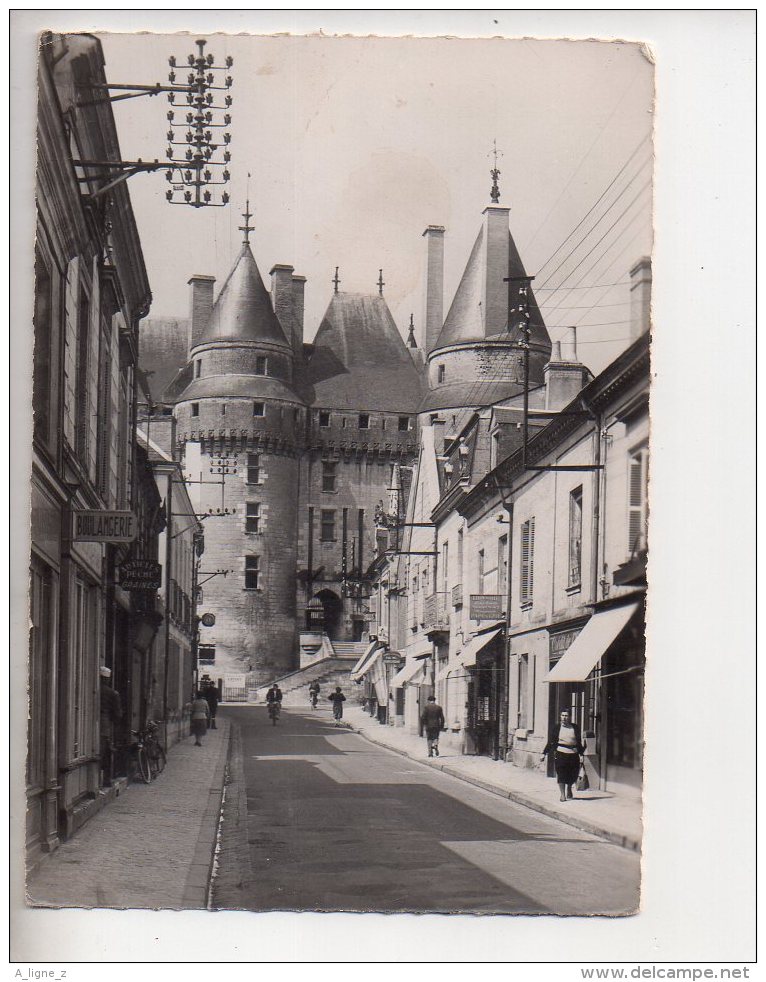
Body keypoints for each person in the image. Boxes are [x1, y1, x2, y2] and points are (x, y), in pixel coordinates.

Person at [541, 709, 586, 802]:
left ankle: (569, 788)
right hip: (561, 753)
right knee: (561, 773)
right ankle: (562, 795)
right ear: (560, 717)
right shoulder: (557, 728)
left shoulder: (575, 727)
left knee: (573, 774)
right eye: (562, 715)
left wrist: (581, 754)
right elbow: (551, 742)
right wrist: (544, 753)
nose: (564, 718)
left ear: (569, 717)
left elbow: (579, 742)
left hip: (573, 754)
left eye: (566, 716)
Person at [99, 666, 122, 786]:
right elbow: (118, 714)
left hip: (92, 724)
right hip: (105, 725)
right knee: (106, 752)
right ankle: (105, 780)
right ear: (108, 679)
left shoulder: (95, 690)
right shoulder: (112, 693)